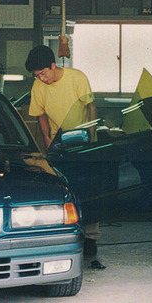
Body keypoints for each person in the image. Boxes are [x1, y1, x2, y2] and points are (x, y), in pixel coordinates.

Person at [24, 45, 101, 256]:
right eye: (37, 76)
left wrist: (91, 138)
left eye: (43, 73)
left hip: (83, 141)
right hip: (58, 143)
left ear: (53, 65)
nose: (41, 78)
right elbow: (39, 114)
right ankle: (63, 233)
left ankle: (91, 237)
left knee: (88, 189)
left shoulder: (77, 78)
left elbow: (91, 107)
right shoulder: (38, 87)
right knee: (62, 188)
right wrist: (47, 139)